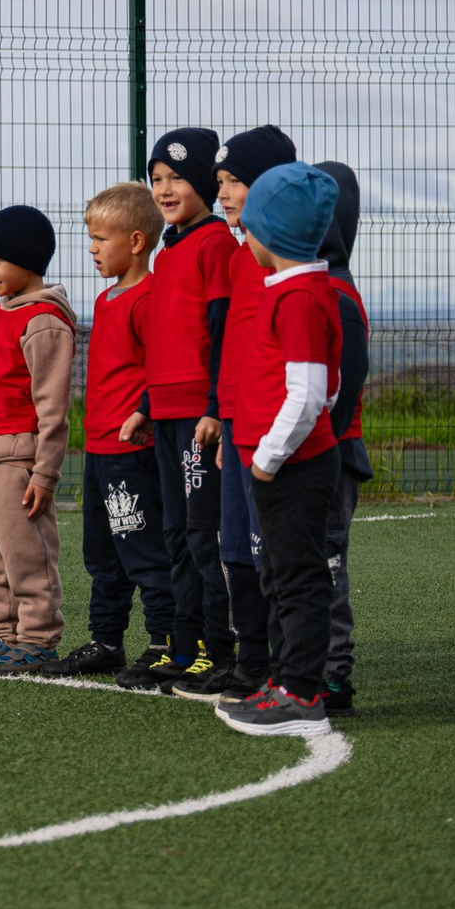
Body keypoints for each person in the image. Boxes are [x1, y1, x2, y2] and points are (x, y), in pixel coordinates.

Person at [214, 161, 342, 738]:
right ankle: (288, 680)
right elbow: (329, 384)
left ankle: (301, 696)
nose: (245, 234)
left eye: (253, 226)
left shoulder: (299, 297)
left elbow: (311, 392)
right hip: (285, 463)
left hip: (289, 468)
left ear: (275, 234)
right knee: (280, 576)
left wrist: (267, 458)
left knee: (296, 579)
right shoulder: (296, 288)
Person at [174, 125, 294, 703]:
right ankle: (249, 662)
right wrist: (223, 414)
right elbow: (232, 349)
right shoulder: (244, 255)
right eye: (220, 182)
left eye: (236, 182)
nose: (224, 193)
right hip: (238, 428)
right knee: (232, 548)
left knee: (263, 550)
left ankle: (280, 667)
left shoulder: (282, 261)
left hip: (271, 432)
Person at [122, 128, 235, 693]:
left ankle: (220, 651)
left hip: (198, 418)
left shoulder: (216, 244)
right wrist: (145, 404)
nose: (164, 189)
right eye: (156, 178)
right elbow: (164, 342)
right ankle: (183, 648)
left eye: (176, 178)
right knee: (174, 534)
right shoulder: (168, 253)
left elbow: (219, 332)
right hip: (165, 414)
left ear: (201, 184)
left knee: (200, 536)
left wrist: (214, 407)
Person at [54, 183, 176, 676]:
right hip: (99, 450)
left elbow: (164, 365)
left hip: (133, 451)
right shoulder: (107, 301)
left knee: (144, 553)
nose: (92, 248)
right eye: (91, 237)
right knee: (101, 555)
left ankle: (165, 642)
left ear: (137, 241)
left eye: (101, 238)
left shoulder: (150, 297)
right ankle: (106, 642)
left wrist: (144, 410)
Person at [0, 205, 76, 676]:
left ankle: (39, 640)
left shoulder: (44, 320)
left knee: (27, 557)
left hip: (17, 461)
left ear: (29, 259)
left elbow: (53, 408)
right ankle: (6, 638)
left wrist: (44, 472)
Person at [314, 161, 369, 715]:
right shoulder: (313, 284)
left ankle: (333, 678)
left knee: (324, 563)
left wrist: (317, 452)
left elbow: (345, 387)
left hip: (329, 455)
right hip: (310, 453)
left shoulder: (337, 293)